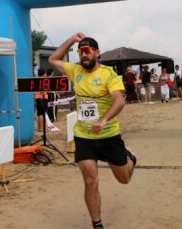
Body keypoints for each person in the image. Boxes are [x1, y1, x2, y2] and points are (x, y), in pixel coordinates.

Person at [49, 32, 136, 229]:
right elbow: (53, 59)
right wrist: (71, 40)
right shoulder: (75, 70)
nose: (83, 55)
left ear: (97, 53)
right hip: (84, 136)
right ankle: (97, 224)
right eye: (80, 52)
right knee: (90, 180)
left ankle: (130, 157)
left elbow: (120, 100)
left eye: (87, 51)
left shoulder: (108, 74)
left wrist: (104, 119)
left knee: (124, 179)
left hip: (108, 135)